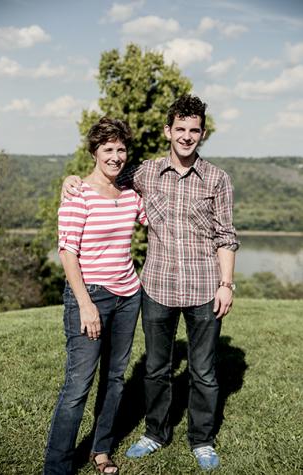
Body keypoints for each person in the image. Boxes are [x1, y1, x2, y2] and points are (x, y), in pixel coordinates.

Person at [62, 94, 239, 471]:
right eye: (180, 129)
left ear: (202, 133)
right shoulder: (144, 172)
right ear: (168, 131)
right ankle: (156, 432)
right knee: (156, 368)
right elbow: (104, 177)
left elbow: (226, 234)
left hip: (204, 289)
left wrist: (227, 283)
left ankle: (202, 438)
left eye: (194, 130)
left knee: (203, 370)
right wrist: (71, 179)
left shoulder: (218, 180)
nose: (187, 136)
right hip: (156, 288)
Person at [44, 117, 147, 475]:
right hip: (91, 297)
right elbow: (67, 251)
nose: (116, 156)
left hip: (128, 296)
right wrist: (85, 303)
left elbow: (162, 221)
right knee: (78, 385)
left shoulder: (132, 195)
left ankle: (101, 450)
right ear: (94, 152)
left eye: (121, 149)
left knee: (115, 379)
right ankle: (56, 467)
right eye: (108, 149)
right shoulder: (78, 194)